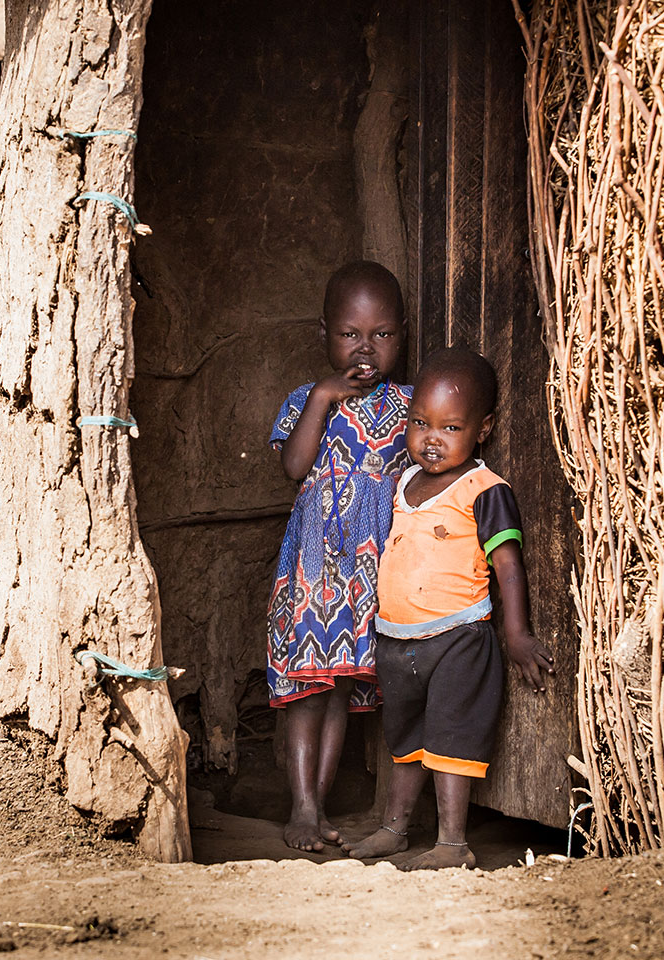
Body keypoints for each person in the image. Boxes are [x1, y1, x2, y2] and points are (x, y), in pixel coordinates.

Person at [342, 347, 554, 870]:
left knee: (450, 737)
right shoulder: (404, 483)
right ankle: (394, 828)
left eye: (450, 427)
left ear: (482, 429)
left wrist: (517, 634)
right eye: (420, 422)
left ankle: (453, 843)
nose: (430, 438)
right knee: (406, 738)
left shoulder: (485, 490)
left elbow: (507, 567)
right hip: (396, 640)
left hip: (459, 638)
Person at [266, 260, 411, 852]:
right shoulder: (307, 400)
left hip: (371, 577)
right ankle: (303, 804)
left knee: (341, 692)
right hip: (314, 570)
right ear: (325, 333)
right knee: (307, 690)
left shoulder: (410, 404)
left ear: (401, 334)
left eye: (382, 335)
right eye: (351, 334)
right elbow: (294, 467)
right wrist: (324, 398)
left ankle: (318, 807)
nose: (366, 349)